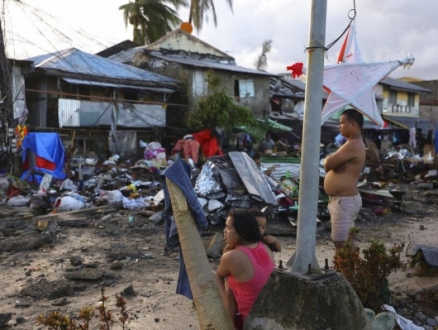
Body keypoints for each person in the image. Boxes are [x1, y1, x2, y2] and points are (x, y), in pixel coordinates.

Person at [214, 211, 275, 329]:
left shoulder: (232, 256)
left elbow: (220, 274)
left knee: (215, 276)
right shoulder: (264, 246)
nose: (224, 231)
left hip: (248, 319)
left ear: (242, 231)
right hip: (270, 315)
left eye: (228, 227)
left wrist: (227, 249)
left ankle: (230, 324)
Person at [323, 109, 365, 252]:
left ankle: (348, 272)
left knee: (342, 242)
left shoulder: (353, 144)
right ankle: (346, 270)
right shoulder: (351, 144)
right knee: (343, 241)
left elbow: (328, 164)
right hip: (342, 200)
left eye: (341, 123)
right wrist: (333, 163)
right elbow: (330, 163)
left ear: (353, 124)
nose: (339, 126)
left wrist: (330, 162)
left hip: (345, 200)